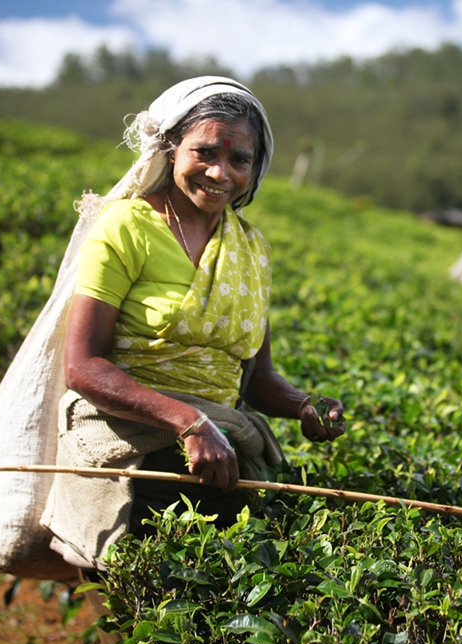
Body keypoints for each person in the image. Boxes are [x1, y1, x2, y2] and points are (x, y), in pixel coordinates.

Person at [39, 76, 347, 574]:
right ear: (169, 148)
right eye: (204, 152)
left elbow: (257, 378)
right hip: (127, 438)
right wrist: (188, 421)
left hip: (215, 452)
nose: (219, 172)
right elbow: (84, 365)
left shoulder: (251, 250)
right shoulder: (126, 227)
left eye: (239, 159)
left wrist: (304, 405)